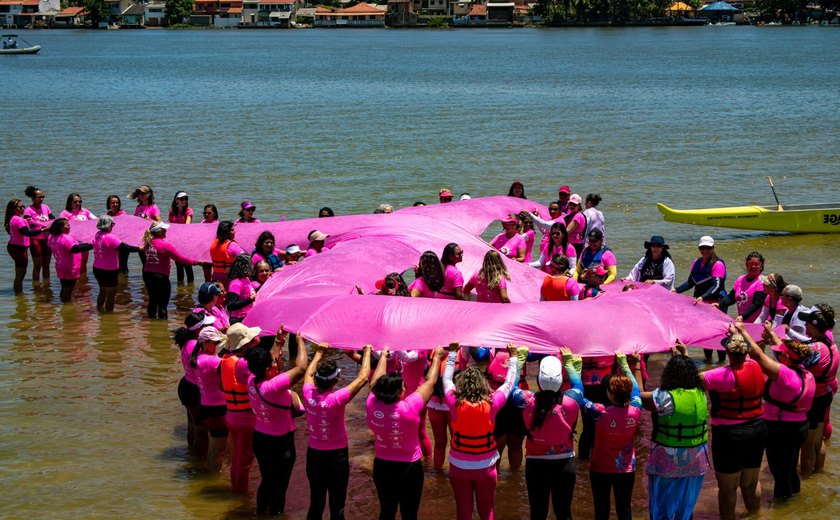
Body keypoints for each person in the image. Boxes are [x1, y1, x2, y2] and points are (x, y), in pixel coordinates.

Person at [736, 321, 815, 500]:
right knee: (790, 468)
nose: (777, 355)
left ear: (787, 358)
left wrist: (742, 332)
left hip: (781, 429)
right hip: (800, 426)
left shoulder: (785, 375)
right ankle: (795, 500)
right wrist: (771, 333)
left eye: (780, 355)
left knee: (779, 472)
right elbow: (783, 348)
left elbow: (757, 354)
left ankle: (782, 506)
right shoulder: (803, 370)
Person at [444, 343, 520, 520]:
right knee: (487, 512)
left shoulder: (453, 402)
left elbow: (447, 380)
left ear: (461, 385)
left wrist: (453, 353)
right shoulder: (492, 403)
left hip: (458, 466)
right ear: (483, 384)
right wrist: (514, 357)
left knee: (463, 513)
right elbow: (509, 383)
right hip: (485, 467)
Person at [367, 347, 445, 520]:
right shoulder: (409, 407)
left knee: (386, 512)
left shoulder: (372, 405)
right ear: (401, 392)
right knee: (410, 514)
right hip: (409, 469)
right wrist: (438, 358)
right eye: (404, 386)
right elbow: (430, 383)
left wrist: (383, 358)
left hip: (382, 467)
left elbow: (375, 383)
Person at [519, 349, 597, 520]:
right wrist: (571, 366)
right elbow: (578, 388)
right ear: (561, 380)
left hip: (535, 464)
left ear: (539, 380)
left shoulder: (525, 400)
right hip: (564, 463)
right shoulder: (571, 402)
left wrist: (517, 363)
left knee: (537, 514)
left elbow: (509, 388)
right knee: (564, 514)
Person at [699, 331, 767, 520]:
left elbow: (693, 379)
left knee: (728, 487)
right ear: (746, 353)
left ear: (728, 353)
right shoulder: (757, 365)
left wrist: (683, 355)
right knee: (751, 482)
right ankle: (756, 516)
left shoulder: (720, 375)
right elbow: (757, 353)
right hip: (758, 429)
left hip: (731, 434)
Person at [636, 347, 709, 520]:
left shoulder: (664, 397)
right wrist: (683, 355)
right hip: (696, 460)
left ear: (669, 374)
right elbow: (689, 372)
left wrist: (637, 367)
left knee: (663, 508)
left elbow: (638, 396)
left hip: (670, 460)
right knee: (685, 506)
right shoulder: (701, 394)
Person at [303, 344, 372, 520]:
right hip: (336, 458)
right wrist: (367, 351)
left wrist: (318, 353)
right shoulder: (337, 399)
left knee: (316, 503)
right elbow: (363, 377)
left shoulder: (307, 394)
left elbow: (307, 374)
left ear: (317, 380)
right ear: (335, 381)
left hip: (314, 456)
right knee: (337, 507)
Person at [245, 330, 309, 516]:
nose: (277, 363)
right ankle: (276, 515)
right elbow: (302, 368)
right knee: (280, 486)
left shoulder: (252, 379)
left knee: (267, 480)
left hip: (261, 439)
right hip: (281, 444)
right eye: (274, 363)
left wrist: (278, 342)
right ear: (268, 370)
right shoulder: (273, 387)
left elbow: (269, 360)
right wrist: (300, 341)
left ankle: (260, 513)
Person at [588, 355, 642, 520]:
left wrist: (573, 369)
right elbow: (637, 390)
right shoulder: (636, 410)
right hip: (626, 468)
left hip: (600, 467)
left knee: (601, 510)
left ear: (610, 394)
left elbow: (577, 394)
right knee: (624, 508)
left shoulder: (599, 412)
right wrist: (625, 365)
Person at [221, 322, 262, 493]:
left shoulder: (224, 360)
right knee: (245, 460)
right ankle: (240, 497)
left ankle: (235, 490)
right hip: (246, 417)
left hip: (231, 414)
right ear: (244, 344)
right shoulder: (244, 364)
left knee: (237, 458)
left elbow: (220, 386)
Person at [797, 305, 838, 477]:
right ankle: (818, 471)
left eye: (807, 324)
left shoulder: (815, 349)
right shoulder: (831, 345)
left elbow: (792, 359)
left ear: (814, 327)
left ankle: (806, 478)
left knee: (807, 443)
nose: (805, 326)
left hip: (814, 398)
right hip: (825, 394)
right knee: (817, 438)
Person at [674, 236, 727, 363]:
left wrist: (703, 297)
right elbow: (690, 282)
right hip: (701, 303)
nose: (705, 250)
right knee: (705, 334)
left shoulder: (717, 264)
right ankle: (708, 361)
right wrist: (676, 290)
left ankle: (721, 362)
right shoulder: (696, 262)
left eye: (708, 248)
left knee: (719, 334)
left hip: (717, 303)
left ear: (713, 248)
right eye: (702, 248)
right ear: (699, 248)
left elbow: (717, 286)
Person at [174, 312, 216, 458]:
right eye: (207, 326)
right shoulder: (195, 346)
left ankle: (191, 455)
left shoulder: (187, 341)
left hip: (186, 385)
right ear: (199, 330)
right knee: (201, 429)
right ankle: (198, 462)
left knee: (192, 426)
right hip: (194, 390)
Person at [192, 325, 230, 472]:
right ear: (204, 343)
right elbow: (231, 366)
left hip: (206, 406)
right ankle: (214, 479)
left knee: (213, 447)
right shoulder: (211, 361)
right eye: (214, 343)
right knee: (219, 449)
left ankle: (209, 473)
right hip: (217, 409)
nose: (217, 346)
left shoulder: (199, 358)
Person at [141, 221, 199, 319]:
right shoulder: (165, 245)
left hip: (147, 274)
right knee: (163, 304)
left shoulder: (149, 243)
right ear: (159, 232)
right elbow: (180, 258)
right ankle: (162, 328)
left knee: (153, 300)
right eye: (164, 230)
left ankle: (151, 324)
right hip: (160, 277)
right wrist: (197, 262)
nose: (166, 231)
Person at [92, 215, 139, 312]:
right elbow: (125, 248)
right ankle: (109, 317)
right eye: (112, 224)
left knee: (102, 291)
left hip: (97, 268)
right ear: (109, 225)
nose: (113, 226)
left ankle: (99, 310)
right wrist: (140, 248)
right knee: (111, 294)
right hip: (109, 270)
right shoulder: (111, 237)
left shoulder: (97, 234)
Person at [47, 217, 93, 302]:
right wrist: (92, 245)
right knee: (69, 290)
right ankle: (67, 309)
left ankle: (63, 305)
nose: (69, 226)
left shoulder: (51, 237)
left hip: (60, 266)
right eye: (67, 225)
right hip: (70, 267)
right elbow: (75, 249)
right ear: (61, 228)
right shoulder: (66, 238)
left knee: (64, 287)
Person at [716, 252, 766, 323]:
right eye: (750, 264)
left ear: (761, 265)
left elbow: (757, 304)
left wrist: (743, 316)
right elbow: (731, 298)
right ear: (746, 264)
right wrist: (720, 304)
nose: (753, 267)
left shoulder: (762, 281)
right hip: (743, 321)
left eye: (757, 264)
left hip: (757, 324)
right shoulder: (740, 279)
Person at [6, 199, 43, 293]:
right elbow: (28, 233)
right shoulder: (18, 220)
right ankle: (19, 295)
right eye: (20, 207)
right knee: (20, 275)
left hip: (13, 247)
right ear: (13, 209)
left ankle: (18, 297)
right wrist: (43, 230)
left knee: (20, 274)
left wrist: (25, 221)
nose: (23, 208)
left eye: (23, 206)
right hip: (19, 249)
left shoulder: (13, 218)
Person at [23, 186, 54, 284]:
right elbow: (28, 224)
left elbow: (53, 220)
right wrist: (41, 225)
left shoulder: (46, 207)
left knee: (47, 264)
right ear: (32, 198)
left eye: (42, 197)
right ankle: (36, 287)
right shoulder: (28, 210)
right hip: (35, 239)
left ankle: (47, 285)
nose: (41, 199)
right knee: (37, 265)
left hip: (46, 239)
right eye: (39, 197)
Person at [60, 193, 96, 274]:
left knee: (84, 263)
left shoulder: (85, 211)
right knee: (74, 264)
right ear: (70, 203)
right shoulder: (64, 213)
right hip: (72, 243)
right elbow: (61, 227)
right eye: (75, 202)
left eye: (79, 201)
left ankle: (83, 283)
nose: (78, 204)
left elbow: (95, 219)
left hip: (84, 241)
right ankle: (73, 281)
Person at [167, 191, 194, 284]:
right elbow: (170, 226)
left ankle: (190, 287)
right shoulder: (172, 212)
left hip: (186, 241)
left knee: (187, 264)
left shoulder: (188, 210)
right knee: (178, 265)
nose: (184, 200)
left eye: (185, 198)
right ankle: (180, 287)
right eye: (181, 199)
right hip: (176, 241)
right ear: (176, 200)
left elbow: (187, 225)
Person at [209, 221, 243, 287]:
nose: (234, 232)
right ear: (226, 232)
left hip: (215, 277)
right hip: (229, 278)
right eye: (232, 230)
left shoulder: (213, 243)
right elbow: (245, 261)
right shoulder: (232, 245)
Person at [226, 254, 256, 325]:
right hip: (238, 320)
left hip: (247, 316)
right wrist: (250, 300)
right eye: (251, 264)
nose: (253, 266)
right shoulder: (236, 284)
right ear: (245, 267)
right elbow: (230, 306)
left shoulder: (246, 279)